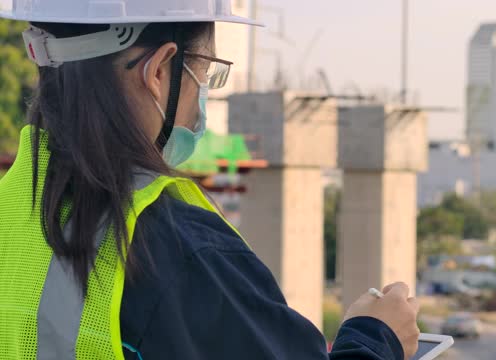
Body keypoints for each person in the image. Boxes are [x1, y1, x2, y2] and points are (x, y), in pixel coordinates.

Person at [0, 1, 420, 359]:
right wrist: (374, 338)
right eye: (206, 75)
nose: (201, 98)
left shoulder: (11, 210)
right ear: (160, 71)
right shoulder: (179, 251)